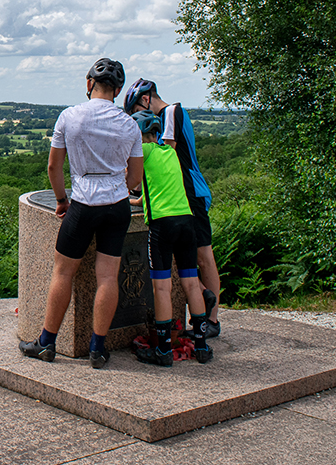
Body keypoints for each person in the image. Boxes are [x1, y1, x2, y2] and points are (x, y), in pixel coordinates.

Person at [19, 58, 144, 368]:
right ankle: (98, 349)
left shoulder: (69, 117)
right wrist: (120, 187)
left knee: (63, 272)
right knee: (107, 277)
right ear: (117, 90)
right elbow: (135, 179)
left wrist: (62, 200)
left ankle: (47, 342)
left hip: (83, 202)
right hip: (116, 206)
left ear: (89, 84)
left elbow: (53, 166)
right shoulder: (130, 125)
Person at [123, 78, 221, 336]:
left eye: (137, 112)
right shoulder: (166, 115)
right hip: (180, 197)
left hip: (191, 194)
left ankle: (211, 321)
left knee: (203, 257)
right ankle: (202, 301)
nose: (140, 118)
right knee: (186, 259)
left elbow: (165, 151)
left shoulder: (171, 112)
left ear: (145, 99)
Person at [129, 110, 213, 366]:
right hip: (186, 221)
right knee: (190, 282)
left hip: (162, 225)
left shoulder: (142, 153)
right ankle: (201, 345)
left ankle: (163, 350)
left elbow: (128, 178)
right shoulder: (170, 153)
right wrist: (140, 200)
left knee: (162, 287)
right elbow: (160, 184)